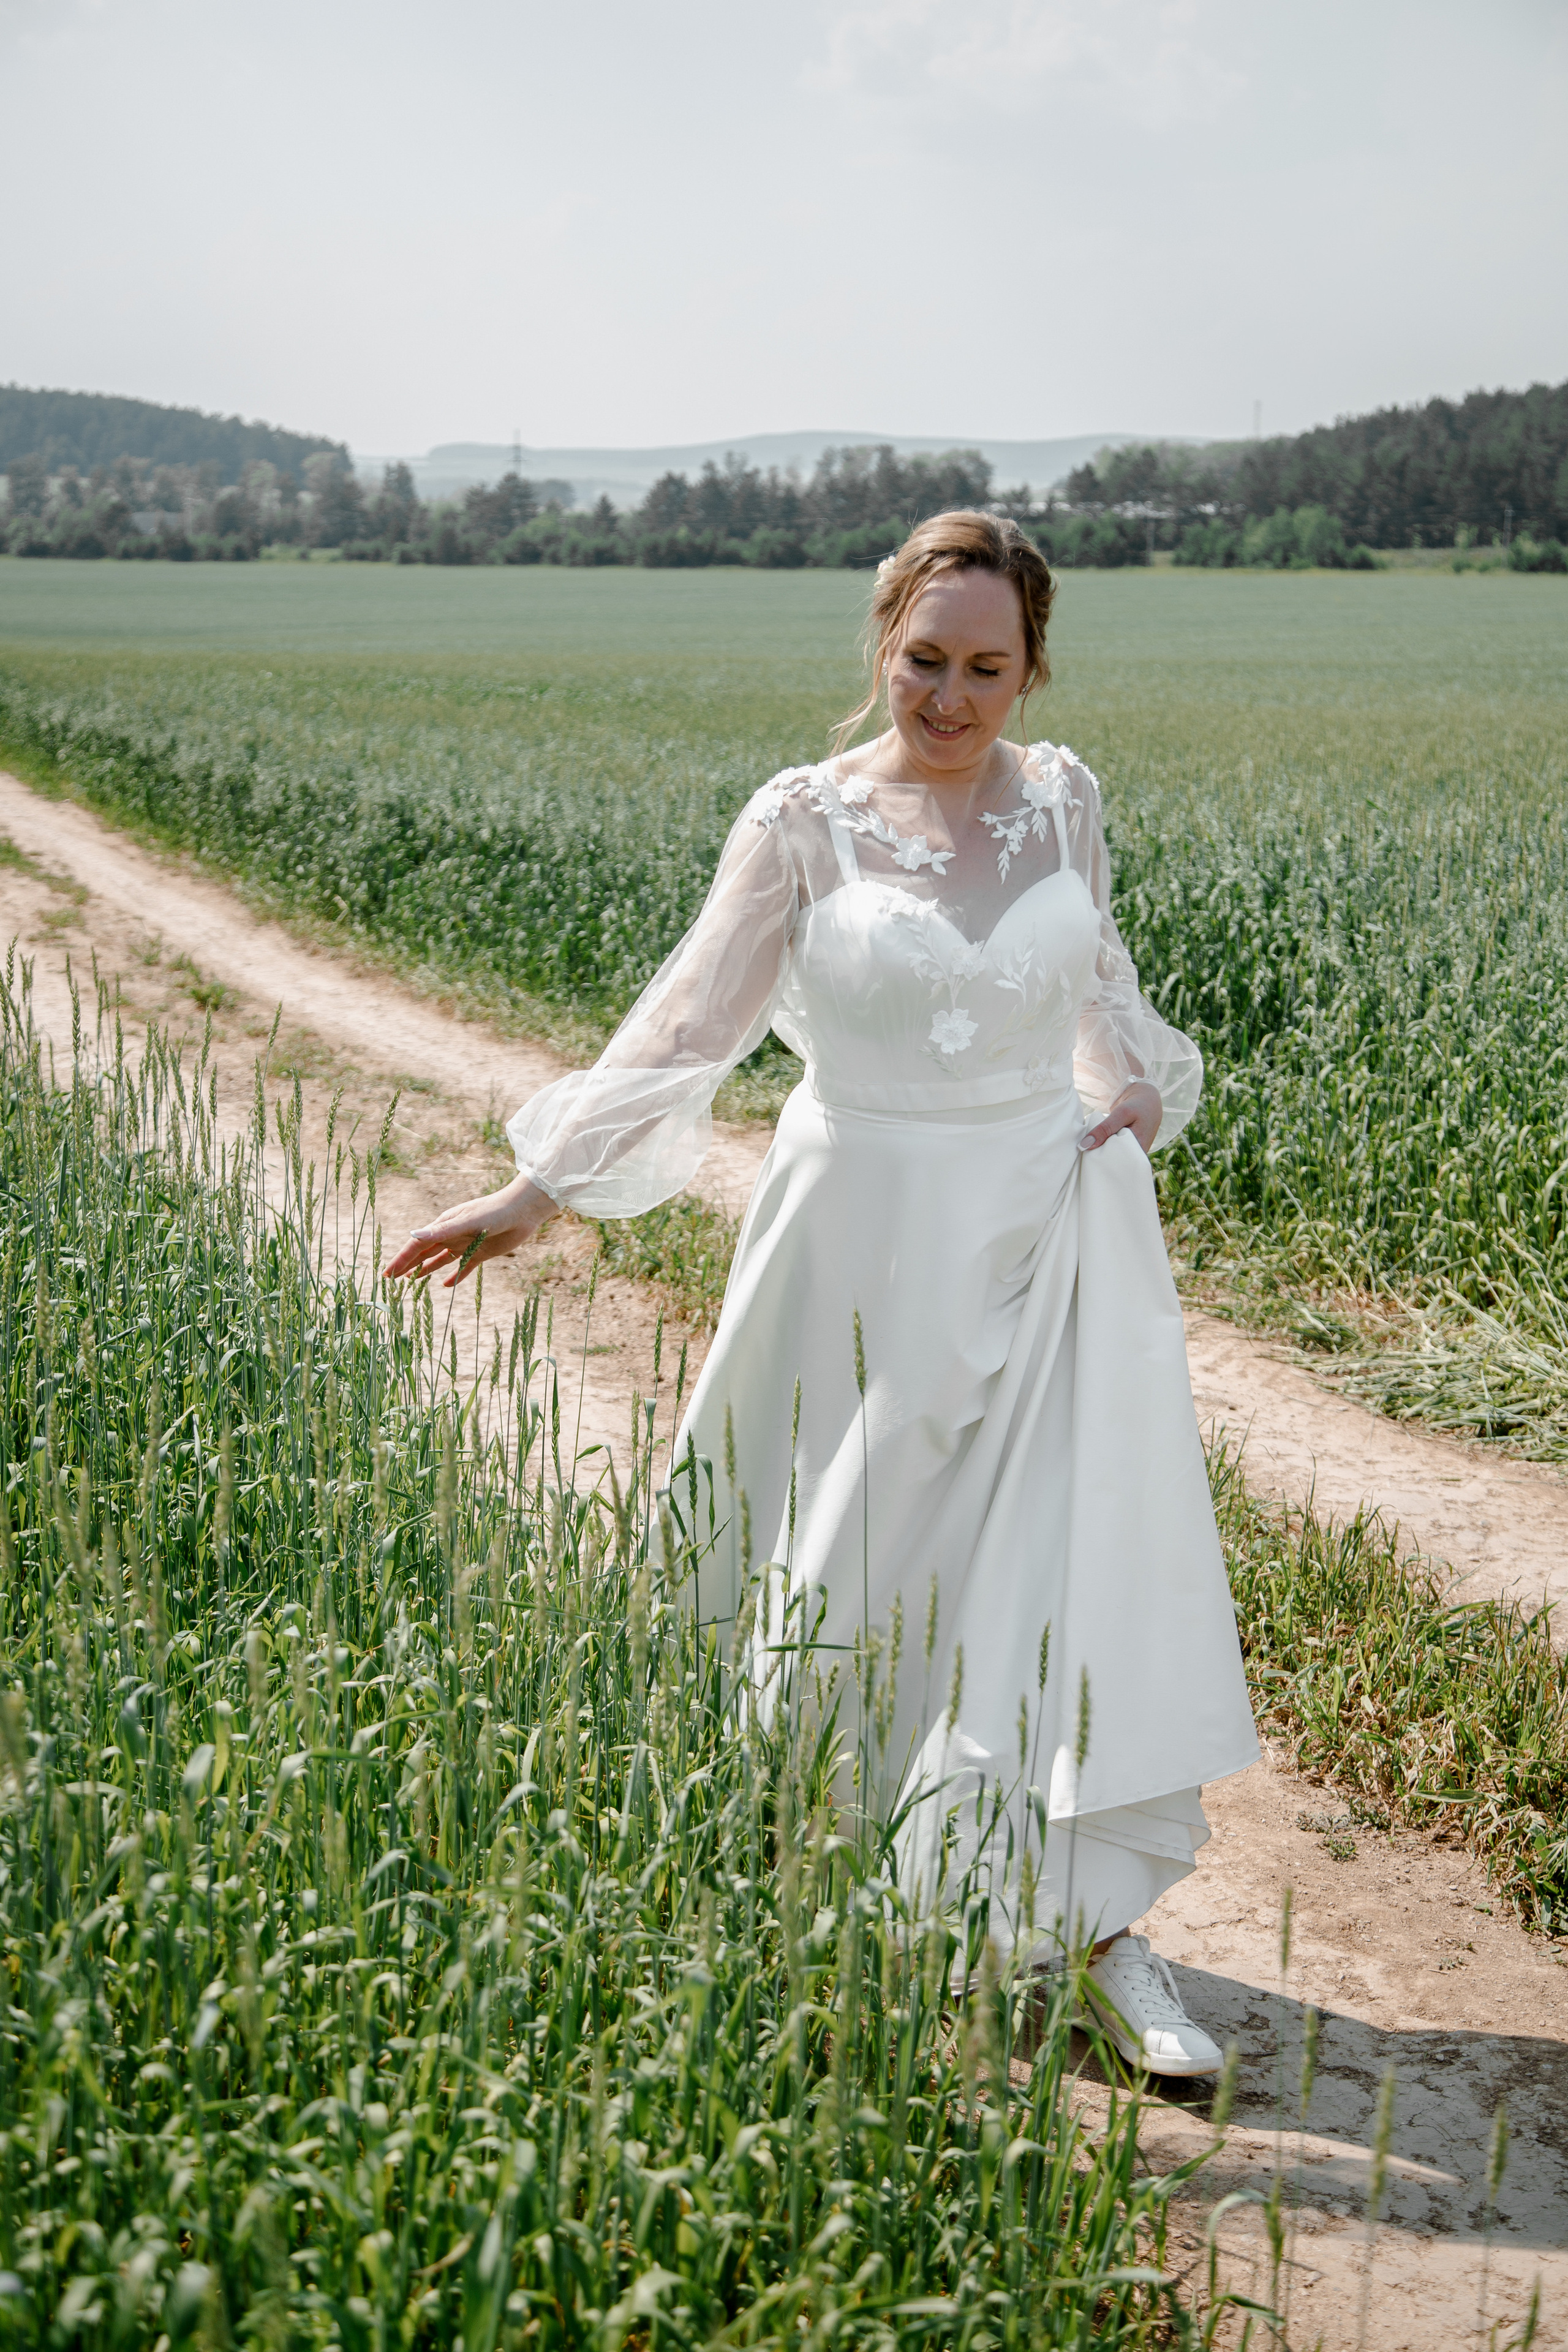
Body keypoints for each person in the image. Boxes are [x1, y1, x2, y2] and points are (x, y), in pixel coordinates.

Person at [388, 511, 1259, 2077]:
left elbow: (1094, 989)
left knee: (1045, 1576)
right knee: (847, 1575)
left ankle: (1092, 1934)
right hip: (854, 1240)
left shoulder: (1063, 802)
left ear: (1030, 667)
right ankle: (821, 1908)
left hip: (1040, 1234)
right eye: (924, 660)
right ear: (882, 643)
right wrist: (535, 1193)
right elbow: (681, 1034)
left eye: (985, 667)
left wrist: (1129, 1097)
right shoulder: (801, 821)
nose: (949, 697)